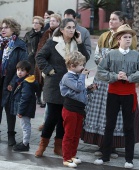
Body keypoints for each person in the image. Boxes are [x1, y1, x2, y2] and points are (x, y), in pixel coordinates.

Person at [82, 11, 139, 158]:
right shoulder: (104, 36)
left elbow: (130, 58)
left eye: (114, 19)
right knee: (101, 112)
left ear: (121, 22)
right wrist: (101, 61)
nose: (111, 22)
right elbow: (96, 56)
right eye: (110, 19)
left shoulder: (129, 38)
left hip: (117, 81)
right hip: (102, 78)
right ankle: (102, 145)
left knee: (116, 114)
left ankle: (113, 146)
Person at [94, 24, 139, 168]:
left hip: (129, 94)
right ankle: (105, 156)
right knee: (109, 125)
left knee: (129, 127)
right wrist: (115, 76)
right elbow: (100, 71)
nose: (128, 39)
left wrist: (129, 77)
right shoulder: (111, 54)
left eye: (130, 37)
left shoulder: (136, 55)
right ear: (119, 39)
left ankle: (129, 159)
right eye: (125, 37)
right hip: (113, 93)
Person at [34, 18, 89, 158]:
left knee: (63, 120)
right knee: (52, 117)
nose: (71, 30)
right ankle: (42, 145)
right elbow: (39, 57)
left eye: (73, 27)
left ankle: (58, 147)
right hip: (53, 85)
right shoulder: (53, 42)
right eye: (69, 27)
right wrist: (49, 70)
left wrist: (80, 42)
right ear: (62, 29)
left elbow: (85, 58)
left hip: (70, 87)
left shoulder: (77, 44)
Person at [59, 51, 97, 168]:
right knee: (69, 135)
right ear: (72, 66)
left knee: (76, 134)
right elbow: (79, 88)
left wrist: (90, 89)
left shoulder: (77, 76)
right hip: (70, 109)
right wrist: (83, 76)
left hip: (79, 108)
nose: (83, 67)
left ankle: (72, 155)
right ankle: (66, 158)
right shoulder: (67, 77)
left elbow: (81, 91)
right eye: (80, 65)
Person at [0, 17, 28, 146]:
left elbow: (23, 65)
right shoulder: (1, 43)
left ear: (13, 29)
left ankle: (11, 134)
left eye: (6, 27)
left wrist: (13, 82)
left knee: (10, 109)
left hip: (11, 81)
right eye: (2, 27)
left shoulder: (20, 45)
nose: (3, 29)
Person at [36, 14, 61, 131]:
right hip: (50, 75)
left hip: (63, 79)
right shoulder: (47, 35)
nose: (51, 22)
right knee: (49, 105)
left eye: (54, 20)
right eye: (50, 20)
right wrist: (47, 69)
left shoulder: (72, 41)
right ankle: (45, 124)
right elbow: (40, 54)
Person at [10, 61, 38, 151]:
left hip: (25, 109)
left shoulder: (26, 83)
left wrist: (20, 111)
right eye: (18, 70)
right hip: (26, 108)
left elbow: (25, 98)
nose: (19, 72)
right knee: (25, 125)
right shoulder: (23, 81)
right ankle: (24, 142)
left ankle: (25, 144)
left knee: (25, 126)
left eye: (22, 70)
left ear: (27, 72)